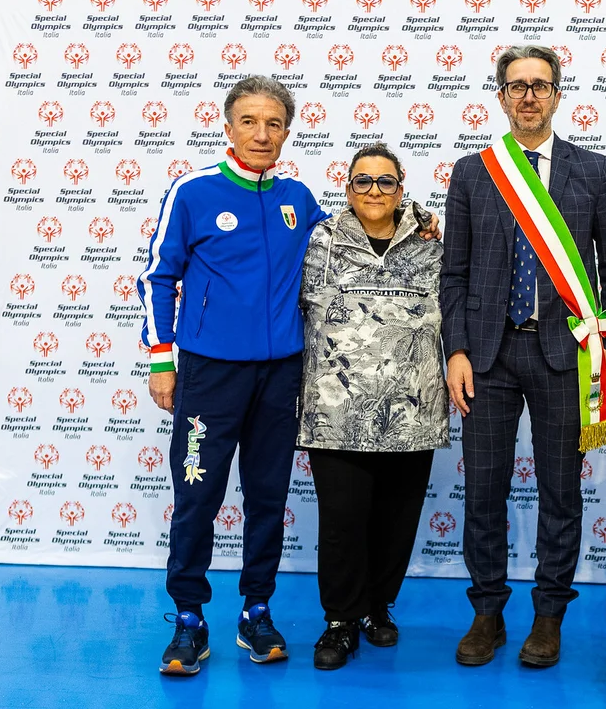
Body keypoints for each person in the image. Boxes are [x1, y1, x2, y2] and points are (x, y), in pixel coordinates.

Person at [139, 77, 437, 677]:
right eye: (249, 121)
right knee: (198, 497)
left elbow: (361, 224)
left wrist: (418, 216)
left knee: (268, 500)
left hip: (282, 377)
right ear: (228, 127)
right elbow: (158, 276)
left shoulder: (298, 199)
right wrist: (161, 357)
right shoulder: (193, 192)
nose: (261, 133)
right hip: (209, 375)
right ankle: (189, 619)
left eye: (273, 123)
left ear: (287, 132)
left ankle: (257, 610)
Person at [441, 44, 606, 668]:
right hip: (489, 358)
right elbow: (456, 273)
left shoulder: (593, 170)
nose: (528, 95)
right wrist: (459, 350)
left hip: (565, 356)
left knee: (560, 493)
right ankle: (488, 613)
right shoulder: (474, 172)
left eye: (540, 85)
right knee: (484, 493)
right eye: (516, 85)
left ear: (557, 94)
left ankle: (548, 617)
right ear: (500, 96)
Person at [298, 143, 447, 670]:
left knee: (396, 519)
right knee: (342, 521)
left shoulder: (435, 242)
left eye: (386, 182)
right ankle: (340, 620)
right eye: (363, 181)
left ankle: (377, 608)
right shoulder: (318, 240)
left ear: (402, 189)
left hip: (413, 408)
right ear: (347, 188)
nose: (375, 191)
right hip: (335, 411)